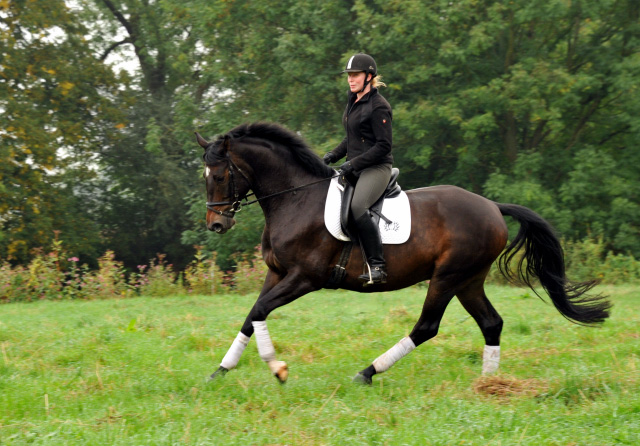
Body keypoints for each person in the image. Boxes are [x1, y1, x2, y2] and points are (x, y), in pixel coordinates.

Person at [323, 53, 393, 285]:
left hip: (376, 168)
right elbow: (352, 139)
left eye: (355, 75)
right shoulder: (352, 100)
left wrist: (354, 163)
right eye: (349, 76)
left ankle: (377, 267)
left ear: (369, 76)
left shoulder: (379, 106)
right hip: (356, 167)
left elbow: (383, 146)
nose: (350, 80)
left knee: (357, 207)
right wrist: (333, 154)